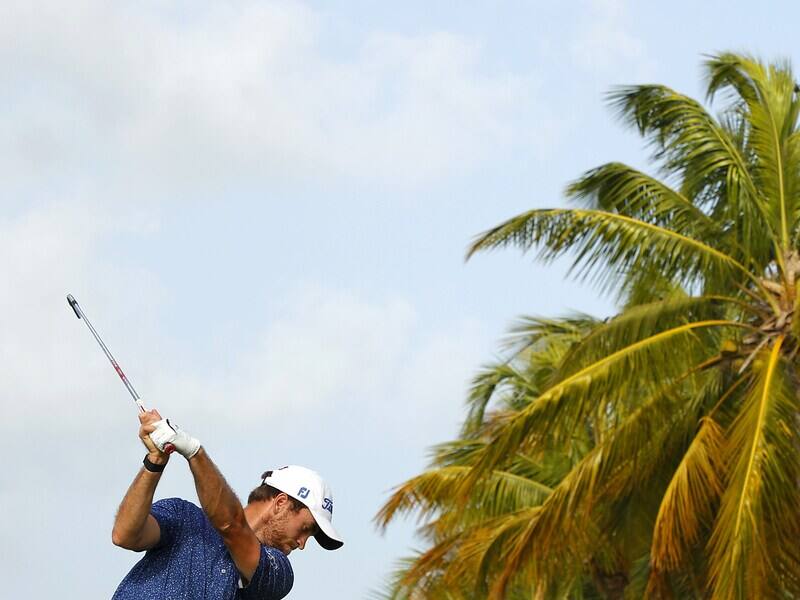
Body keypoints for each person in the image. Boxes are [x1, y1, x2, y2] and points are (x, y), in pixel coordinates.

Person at [111, 409, 343, 599]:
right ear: (281, 503)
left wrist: (193, 451)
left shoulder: (278, 572)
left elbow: (232, 527)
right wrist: (155, 460)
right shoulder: (183, 516)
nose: (302, 544)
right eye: (305, 528)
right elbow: (125, 535)